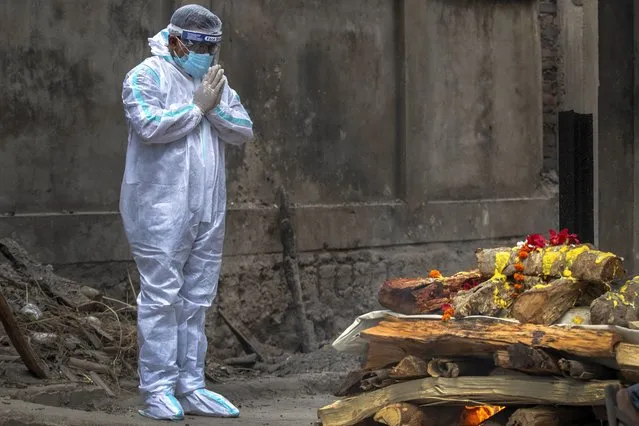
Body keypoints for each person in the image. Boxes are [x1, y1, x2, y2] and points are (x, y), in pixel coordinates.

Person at [119, 4, 253, 421]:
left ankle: (191, 385)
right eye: (196, 45)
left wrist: (211, 104)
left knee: (196, 299)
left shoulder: (213, 83)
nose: (204, 54)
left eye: (211, 47)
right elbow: (149, 124)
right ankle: (157, 390)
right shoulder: (145, 76)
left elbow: (243, 128)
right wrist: (197, 108)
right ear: (175, 39)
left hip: (207, 206)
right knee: (161, 296)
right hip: (159, 207)